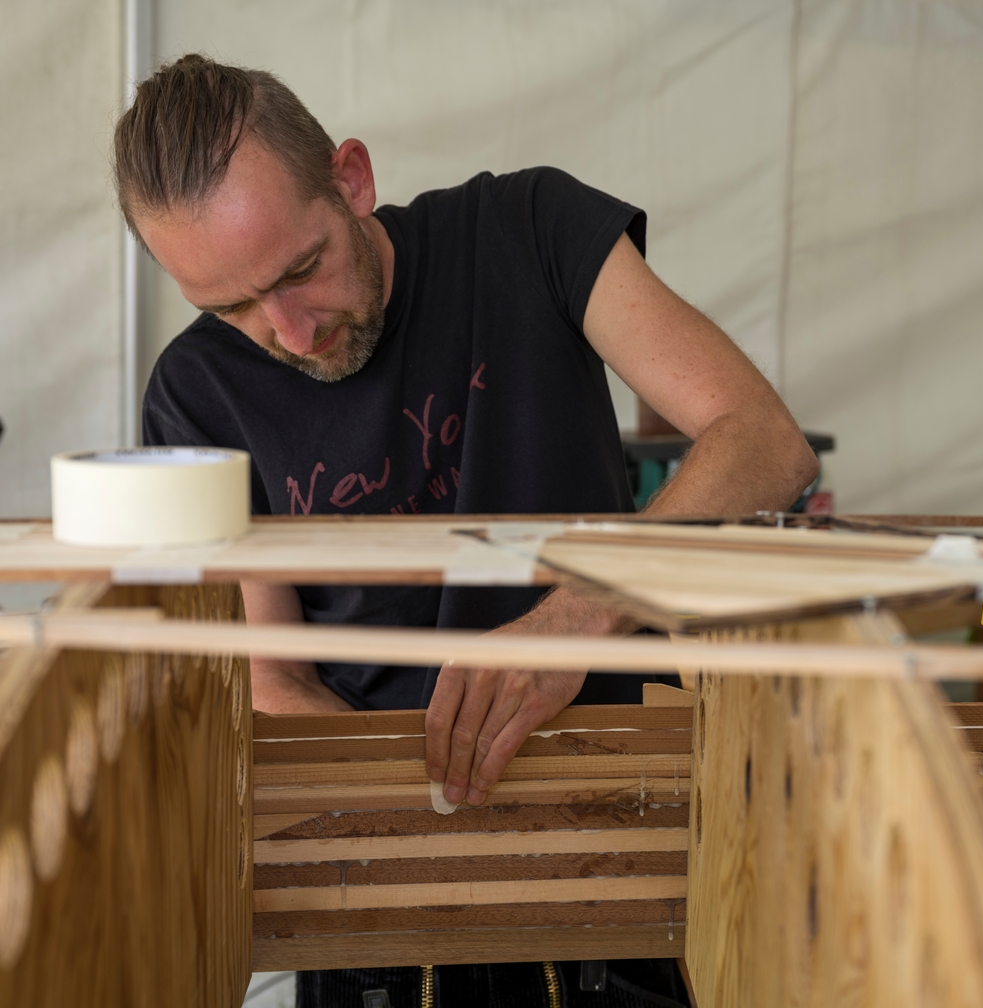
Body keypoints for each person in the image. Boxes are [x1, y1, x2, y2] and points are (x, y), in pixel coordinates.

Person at [115, 54, 816, 1008]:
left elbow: (762, 440)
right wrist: (429, 825)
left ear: (351, 178)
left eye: (301, 269)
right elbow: (270, 674)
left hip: (617, 858)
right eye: (231, 308)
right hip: (374, 897)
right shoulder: (196, 394)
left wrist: (579, 615)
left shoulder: (529, 230)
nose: (290, 332)